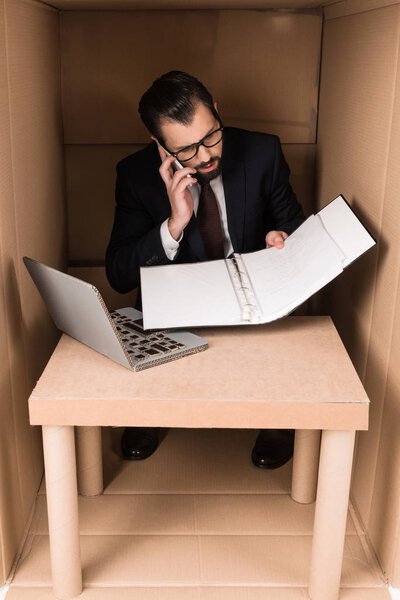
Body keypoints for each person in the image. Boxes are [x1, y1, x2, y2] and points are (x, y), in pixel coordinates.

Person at [106, 70, 305, 469]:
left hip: (252, 300)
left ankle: (277, 419)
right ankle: (151, 413)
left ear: (216, 110)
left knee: (292, 338)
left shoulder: (262, 151)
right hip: (177, 307)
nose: (204, 156)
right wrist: (173, 224)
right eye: (185, 150)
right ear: (159, 146)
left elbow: (296, 226)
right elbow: (119, 274)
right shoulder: (135, 175)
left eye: (210, 135)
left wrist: (281, 242)